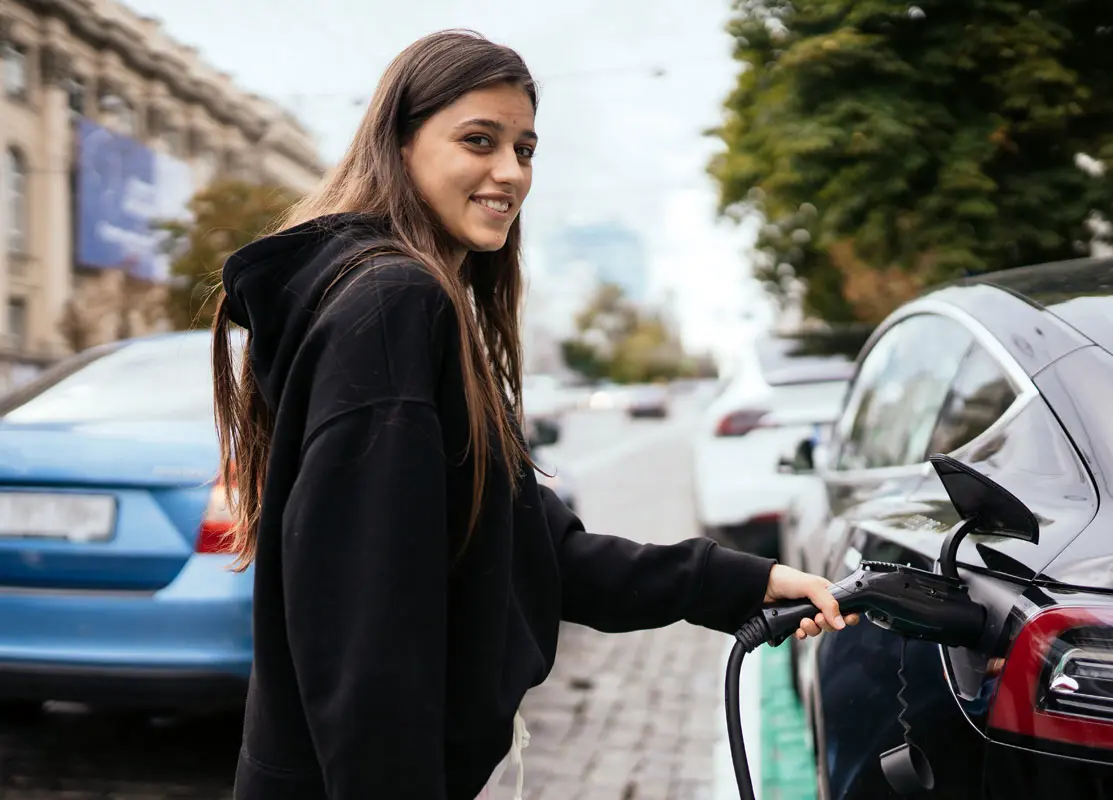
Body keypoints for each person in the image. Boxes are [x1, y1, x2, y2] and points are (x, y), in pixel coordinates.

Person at [211, 29, 858, 800]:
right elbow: (366, 633)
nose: (509, 173)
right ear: (400, 143)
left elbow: (537, 551)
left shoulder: (397, 302)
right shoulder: (393, 306)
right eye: (478, 141)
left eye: (525, 149)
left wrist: (746, 582)